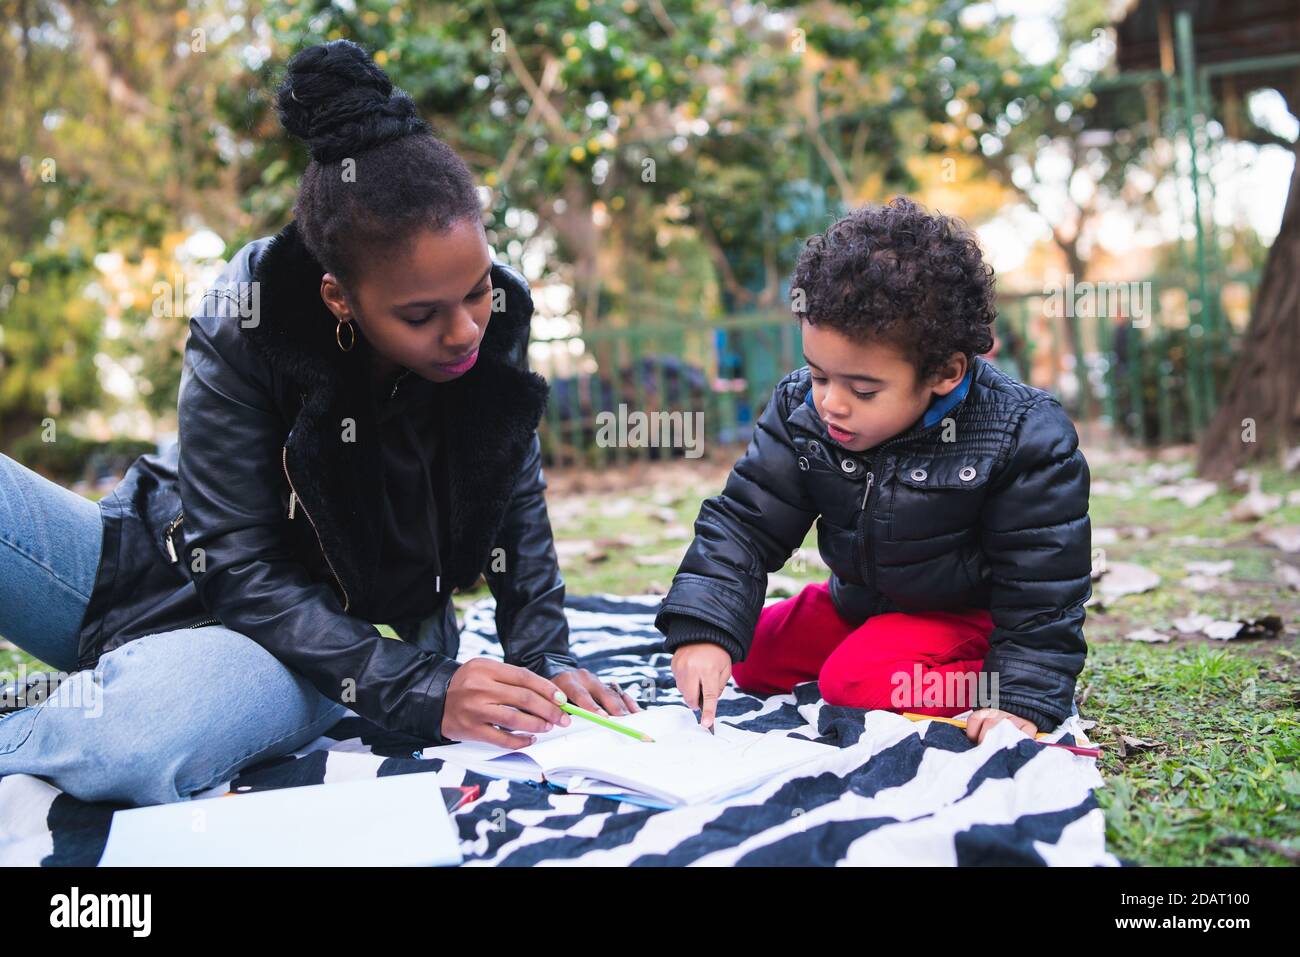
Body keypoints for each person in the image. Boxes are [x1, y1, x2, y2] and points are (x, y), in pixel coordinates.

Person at [0, 39, 636, 807]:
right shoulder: (250, 311)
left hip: (325, 645)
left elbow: (512, 496)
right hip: (145, 574)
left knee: (138, 736)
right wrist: (432, 689)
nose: (464, 329)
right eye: (420, 314)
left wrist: (542, 653)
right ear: (340, 298)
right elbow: (231, 560)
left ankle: (83, 709)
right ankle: (115, 673)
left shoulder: (492, 319)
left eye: (473, 291)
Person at [656, 197, 1091, 744]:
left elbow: (1043, 588)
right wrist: (707, 627)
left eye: (862, 390)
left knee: (855, 682)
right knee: (750, 656)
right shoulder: (802, 410)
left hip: (968, 621)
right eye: (818, 376)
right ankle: (870, 645)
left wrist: (1024, 691)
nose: (832, 404)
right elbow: (746, 522)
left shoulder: (1023, 435)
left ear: (945, 372)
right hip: (860, 602)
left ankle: (987, 680)